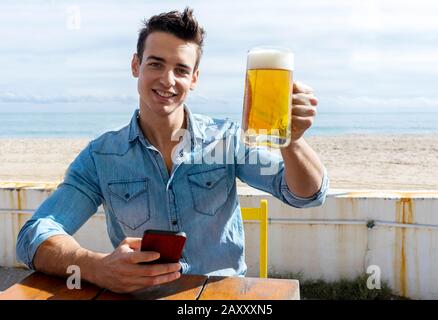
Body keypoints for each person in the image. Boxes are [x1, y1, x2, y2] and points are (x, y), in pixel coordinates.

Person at [16, 7, 329, 293]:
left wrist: (293, 141)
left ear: (194, 79)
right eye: (156, 64)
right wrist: (97, 266)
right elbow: (34, 235)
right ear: (136, 65)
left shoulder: (227, 139)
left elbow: (305, 195)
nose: (168, 80)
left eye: (181, 69)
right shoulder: (101, 156)